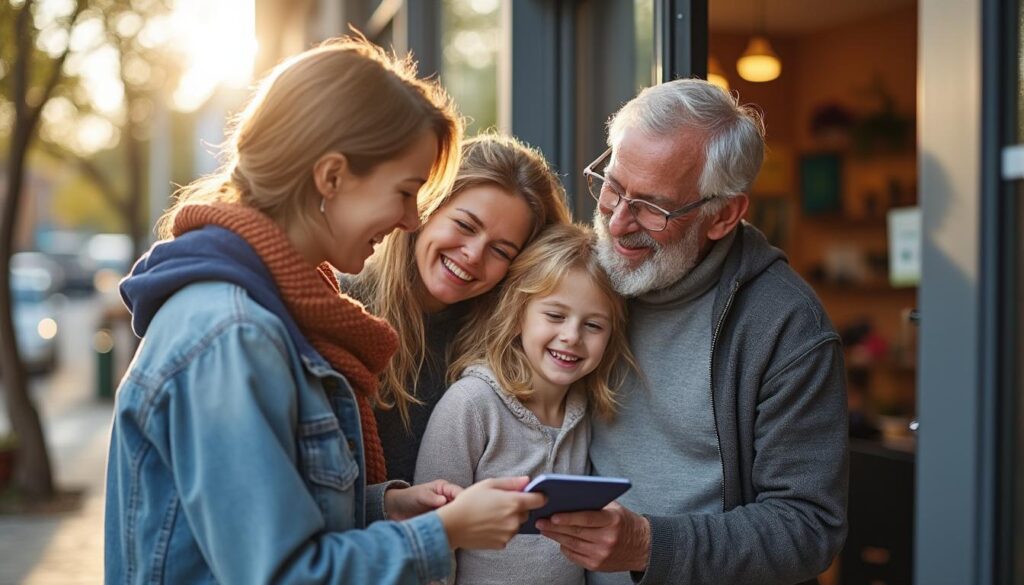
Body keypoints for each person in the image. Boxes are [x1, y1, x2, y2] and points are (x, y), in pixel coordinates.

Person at [104, 37, 545, 585]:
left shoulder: (278, 313)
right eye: (406, 192)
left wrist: (381, 508)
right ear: (331, 177)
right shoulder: (232, 334)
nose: (411, 220)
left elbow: (265, 519)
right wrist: (446, 532)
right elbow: (282, 572)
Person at [537, 79, 848, 585]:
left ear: (723, 215)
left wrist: (647, 545)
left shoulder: (786, 327)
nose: (617, 224)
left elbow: (809, 527)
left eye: (652, 208)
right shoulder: (581, 276)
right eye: (612, 187)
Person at [345, 133, 572, 483]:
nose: (473, 254)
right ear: (426, 208)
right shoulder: (342, 306)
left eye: (501, 250)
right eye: (465, 226)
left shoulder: (505, 352)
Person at [414, 223, 633, 585]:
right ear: (519, 314)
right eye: (555, 315)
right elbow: (430, 538)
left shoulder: (586, 414)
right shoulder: (470, 406)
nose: (571, 336)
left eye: (593, 325)